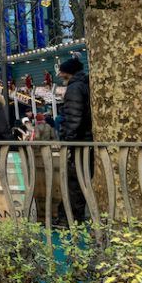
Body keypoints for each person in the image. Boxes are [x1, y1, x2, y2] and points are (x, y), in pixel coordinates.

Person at [57, 56, 92, 223]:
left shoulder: (74, 89)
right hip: (86, 140)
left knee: (75, 181)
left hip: (79, 142)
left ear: (67, 73)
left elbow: (74, 117)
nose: (59, 75)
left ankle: (70, 218)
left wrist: (67, 140)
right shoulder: (85, 85)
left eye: (61, 72)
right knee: (79, 180)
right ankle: (72, 216)